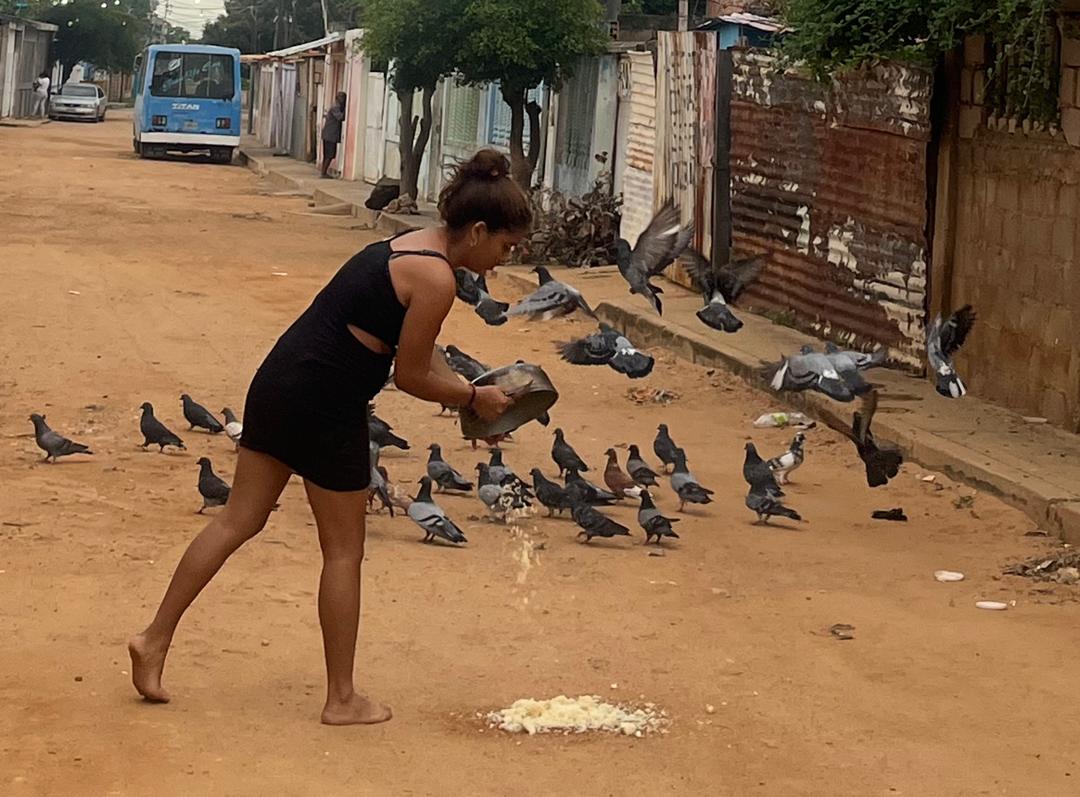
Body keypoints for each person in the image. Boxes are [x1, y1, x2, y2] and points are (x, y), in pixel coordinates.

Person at [128, 149, 530, 725]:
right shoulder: (438, 278)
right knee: (344, 551)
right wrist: (473, 399)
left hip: (279, 383)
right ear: (479, 230)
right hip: (325, 405)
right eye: (505, 247)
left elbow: (415, 347)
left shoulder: (412, 246)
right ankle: (341, 699)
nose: (502, 260)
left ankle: (154, 639)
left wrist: (468, 385)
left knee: (235, 520)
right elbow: (412, 375)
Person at [320, 92, 347, 178]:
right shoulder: (336, 107)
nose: (343, 100)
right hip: (330, 135)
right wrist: (346, 110)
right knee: (329, 155)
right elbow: (340, 117)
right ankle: (323, 173)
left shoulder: (336, 106)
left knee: (327, 155)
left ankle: (323, 172)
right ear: (338, 98)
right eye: (342, 98)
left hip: (328, 134)